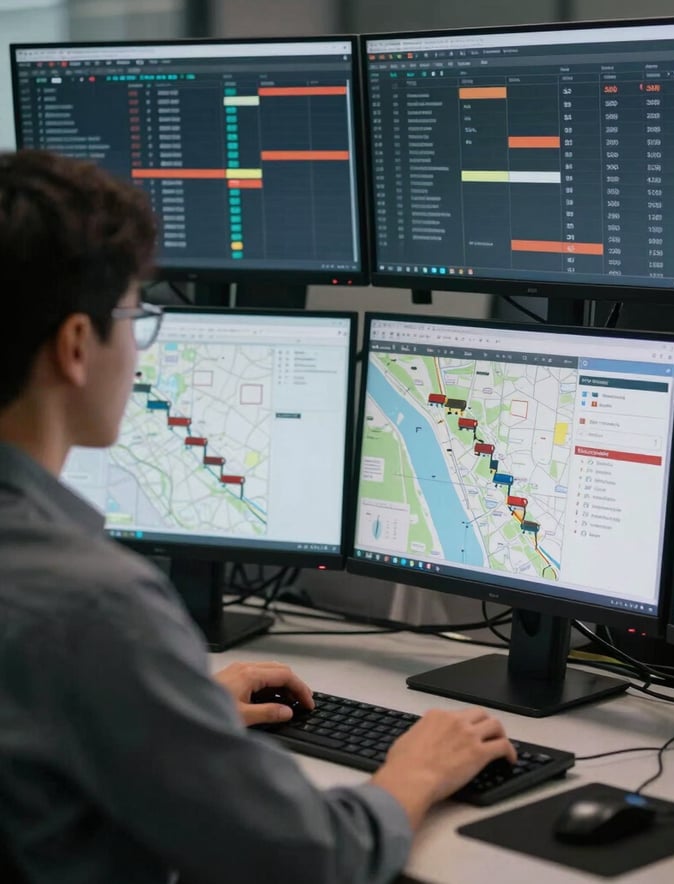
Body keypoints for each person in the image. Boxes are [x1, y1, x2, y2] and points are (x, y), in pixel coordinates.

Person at [0, 149, 516, 884]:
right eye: (135, 317)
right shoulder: (92, 604)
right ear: (77, 345)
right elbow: (309, 860)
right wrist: (417, 771)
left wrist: (173, 713)